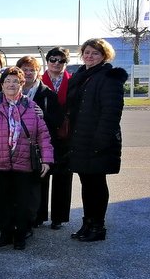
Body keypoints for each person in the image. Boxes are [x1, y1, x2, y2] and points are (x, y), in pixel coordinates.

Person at [0, 67, 53, 250]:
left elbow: (43, 134)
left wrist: (46, 159)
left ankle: (20, 235)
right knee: (2, 201)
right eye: (7, 81)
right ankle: (5, 234)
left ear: (22, 84)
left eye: (15, 81)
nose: (11, 85)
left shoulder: (31, 106)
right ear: (2, 85)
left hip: (24, 162)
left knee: (22, 202)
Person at [66, 38, 127, 242]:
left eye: (95, 53)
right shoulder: (82, 76)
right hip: (81, 139)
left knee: (97, 185)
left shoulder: (109, 77)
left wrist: (100, 142)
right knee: (87, 183)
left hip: (97, 141)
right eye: (87, 52)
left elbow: (111, 113)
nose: (90, 56)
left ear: (104, 56)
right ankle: (88, 223)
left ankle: (98, 227)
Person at [17, 55, 62, 229]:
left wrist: (44, 115)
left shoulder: (47, 93)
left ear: (38, 72)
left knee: (40, 181)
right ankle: (24, 214)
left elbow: (58, 119)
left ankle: (39, 215)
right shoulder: (11, 89)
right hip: (18, 145)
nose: (28, 73)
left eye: (32, 69)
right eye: (24, 69)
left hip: (39, 145)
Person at [40, 46, 74, 229]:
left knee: (63, 176)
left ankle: (59, 217)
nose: (56, 63)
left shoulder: (73, 81)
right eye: (53, 59)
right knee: (42, 174)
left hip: (65, 135)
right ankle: (39, 215)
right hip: (44, 134)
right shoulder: (39, 81)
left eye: (61, 60)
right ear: (47, 61)